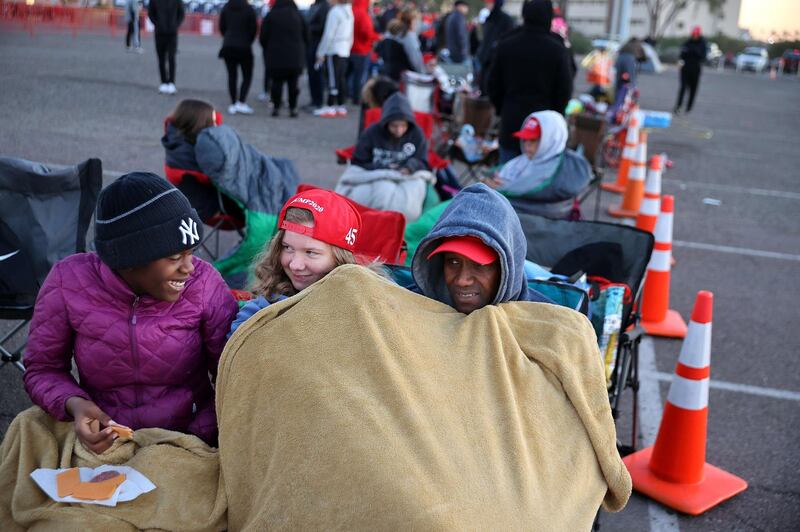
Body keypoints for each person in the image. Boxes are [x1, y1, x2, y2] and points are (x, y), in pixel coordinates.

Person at [22, 172, 238, 452]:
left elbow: (234, 376)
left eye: (191, 252)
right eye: (174, 258)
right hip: (105, 437)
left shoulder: (205, 284)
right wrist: (75, 404)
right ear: (128, 259)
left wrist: (196, 437)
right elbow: (42, 368)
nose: (190, 267)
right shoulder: (68, 281)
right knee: (26, 430)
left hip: (188, 440)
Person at [228, 188, 374, 335]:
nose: (295, 265)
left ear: (341, 258)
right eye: (288, 248)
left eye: (310, 252)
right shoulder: (263, 307)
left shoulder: (369, 307)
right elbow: (236, 344)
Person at [411, 183, 552, 314]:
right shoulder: (412, 308)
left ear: (506, 270)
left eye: (479, 264)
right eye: (453, 262)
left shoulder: (545, 327)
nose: (462, 280)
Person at [487, 0, 572, 164]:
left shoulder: (506, 45)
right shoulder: (557, 50)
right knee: (537, 183)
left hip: (511, 120)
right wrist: (555, 116)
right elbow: (564, 91)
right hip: (543, 129)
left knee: (506, 181)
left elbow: (492, 85)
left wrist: (501, 109)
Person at [336, 92, 434, 220]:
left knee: (411, 203)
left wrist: (410, 167)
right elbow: (358, 162)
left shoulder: (416, 133)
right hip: (375, 174)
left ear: (408, 123)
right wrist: (383, 167)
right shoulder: (372, 132)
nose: (399, 130)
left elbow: (423, 161)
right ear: (386, 123)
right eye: (394, 126)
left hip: (406, 176)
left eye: (403, 126)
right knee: (364, 196)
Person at [490, 111, 592, 219]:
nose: (527, 146)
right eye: (525, 139)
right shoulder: (525, 160)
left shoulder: (556, 172)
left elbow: (534, 190)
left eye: (533, 140)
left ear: (550, 140)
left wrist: (501, 189)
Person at [260, 0, 308, 117]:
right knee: (293, 84)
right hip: (295, 57)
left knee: (276, 83)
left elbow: (263, 37)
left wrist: (268, 49)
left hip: (275, 57)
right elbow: (307, 35)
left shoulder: (271, 15)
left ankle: (276, 107)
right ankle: (293, 108)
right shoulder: (298, 15)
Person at [315, 0, 355, 118]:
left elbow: (328, 34)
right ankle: (340, 105)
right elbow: (350, 34)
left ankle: (330, 105)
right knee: (341, 78)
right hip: (343, 49)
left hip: (333, 49)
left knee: (332, 79)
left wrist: (321, 52)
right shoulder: (349, 11)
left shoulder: (335, 12)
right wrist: (348, 47)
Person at [219, 0, 258, 115]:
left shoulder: (226, 7)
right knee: (247, 76)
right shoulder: (249, 9)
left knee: (232, 76)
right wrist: (247, 40)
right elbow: (253, 29)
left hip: (228, 45)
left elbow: (222, 26)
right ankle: (241, 101)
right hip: (244, 46)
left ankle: (233, 102)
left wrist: (228, 37)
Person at [475, 0, 515, 93]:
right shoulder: (489, 19)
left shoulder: (505, 20)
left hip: (497, 63)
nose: (487, 4)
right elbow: (485, 41)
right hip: (485, 63)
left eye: (490, 2)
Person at [148, 0, 185, 95]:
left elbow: (181, 14)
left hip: (172, 34)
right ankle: (163, 82)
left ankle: (172, 83)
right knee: (161, 59)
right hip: (159, 33)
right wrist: (157, 24)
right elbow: (151, 13)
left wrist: (175, 25)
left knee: (171, 58)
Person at [348, 0, 380, 105]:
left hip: (349, 49)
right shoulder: (363, 13)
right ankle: (357, 99)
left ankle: (348, 95)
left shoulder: (350, 10)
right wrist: (378, 37)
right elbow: (367, 33)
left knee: (350, 76)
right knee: (360, 76)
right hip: (362, 50)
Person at [674, 26, 708, 115]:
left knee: (693, 89)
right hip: (685, 69)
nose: (694, 36)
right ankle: (678, 106)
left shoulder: (703, 44)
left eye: (696, 34)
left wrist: (693, 51)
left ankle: (689, 107)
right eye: (693, 34)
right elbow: (682, 54)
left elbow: (703, 57)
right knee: (683, 88)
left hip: (695, 70)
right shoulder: (687, 43)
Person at [305, 0, 331, 111]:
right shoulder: (315, 5)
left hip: (318, 43)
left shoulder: (324, 6)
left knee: (317, 73)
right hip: (312, 42)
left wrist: (309, 28)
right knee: (312, 73)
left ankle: (318, 101)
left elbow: (323, 27)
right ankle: (314, 100)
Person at [397, 8, 426, 74]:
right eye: (417, 20)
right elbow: (416, 62)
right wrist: (424, 72)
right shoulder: (410, 37)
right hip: (409, 74)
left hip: (398, 73)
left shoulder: (397, 32)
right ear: (412, 21)